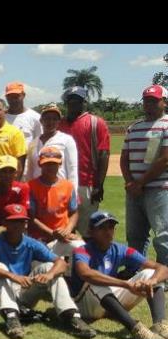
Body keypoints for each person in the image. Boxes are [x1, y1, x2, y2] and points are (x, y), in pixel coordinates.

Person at [0, 203, 95, 339]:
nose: (18, 225)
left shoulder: (31, 243)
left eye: (21, 221)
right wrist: (12, 276)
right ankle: (11, 318)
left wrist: (49, 275)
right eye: (13, 221)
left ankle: (71, 316)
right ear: (4, 223)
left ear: (26, 224)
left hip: (22, 293)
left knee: (48, 266)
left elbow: (61, 263)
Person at [71, 211, 168, 339]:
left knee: (151, 273)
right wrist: (125, 284)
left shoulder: (120, 249)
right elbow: (85, 273)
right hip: (85, 305)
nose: (108, 231)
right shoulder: (82, 251)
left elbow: (162, 268)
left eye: (111, 227)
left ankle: (160, 325)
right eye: (102, 228)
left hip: (107, 302)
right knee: (95, 280)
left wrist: (152, 280)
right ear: (91, 231)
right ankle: (137, 330)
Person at [122, 84, 168, 266]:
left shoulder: (166, 125)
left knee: (163, 235)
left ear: (164, 102)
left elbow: (164, 160)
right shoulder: (134, 127)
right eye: (146, 101)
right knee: (135, 235)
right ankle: (135, 269)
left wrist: (139, 183)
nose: (149, 104)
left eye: (154, 101)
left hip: (159, 190)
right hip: (135, 191)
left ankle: (163, 275)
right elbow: (124, 158)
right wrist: (130, 183)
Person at [59, 86, 110, 235]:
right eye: (71, 100)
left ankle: (88, 259)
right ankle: (67, 259)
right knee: (65, 229)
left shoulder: (96, 123)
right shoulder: (59, 124)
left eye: (78, 100)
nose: (74, 103)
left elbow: (104, 154)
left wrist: (99, 185)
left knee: (88, 231)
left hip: (86, 184)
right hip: (62, 183)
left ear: (84, 102)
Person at [28, 147, 83, 259]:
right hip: (40, 238)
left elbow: (74, 212)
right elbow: (31, 218)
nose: (51, 167)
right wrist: (52, 233)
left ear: (60, 164)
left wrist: (67, 230)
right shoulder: (31, 186)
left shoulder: (68, 186)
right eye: (47, 164)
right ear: (40, 164)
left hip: (63, 237)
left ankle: (73, 276)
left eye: (54, 164)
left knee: (82, 250)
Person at [25, 104, 78, 190]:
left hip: (60, 190)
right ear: (41, 120)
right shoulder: (33, 143)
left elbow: (72, 169)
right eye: (47, 118)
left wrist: (73, 194)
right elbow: (30, 171)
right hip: (37, 191)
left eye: (54, 119)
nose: (51, 122)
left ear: (59, 121)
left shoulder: (66, 140)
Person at [0, 156, 30, 236]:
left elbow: (21, 219)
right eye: (3, 171)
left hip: (16, 232)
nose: (7, 175)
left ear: (16, 173)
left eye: (11, 171)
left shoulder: (22, 189)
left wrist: (0, 229)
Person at [4, 82, 42, 151]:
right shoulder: (1, 118)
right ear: (6, 98)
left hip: (28, 161)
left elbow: (41, 143)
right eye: (10, 97)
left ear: (23, 95)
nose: (13, 100)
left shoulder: (35, 118)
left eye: (16, 96)